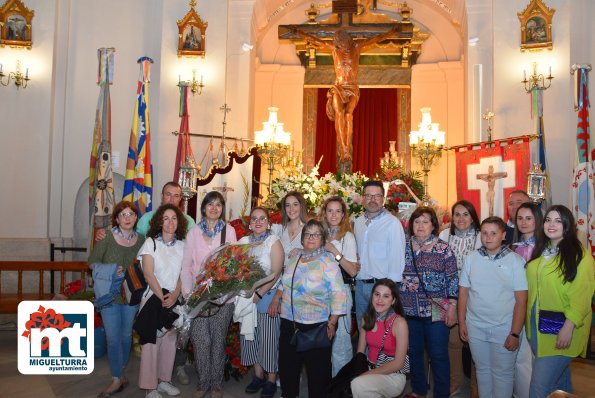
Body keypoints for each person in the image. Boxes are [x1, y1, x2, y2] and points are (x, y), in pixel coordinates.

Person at [291, 27, 397, 164]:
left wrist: (390, 33)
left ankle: (346, 147)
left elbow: (374, 40)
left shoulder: (357, 47)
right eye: (339, 43)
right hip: (339, 87)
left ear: (347, 40)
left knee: (348, 114)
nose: (341, 44)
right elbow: (315, 40)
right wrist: (300, 33)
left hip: (352, 87)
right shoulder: (335, 50)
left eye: (343, 41)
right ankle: (344, 148)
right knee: (339, 114)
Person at [269, 219, 347, 398]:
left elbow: (338, 294)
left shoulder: (328, 262)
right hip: (289, 322)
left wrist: (333, 322)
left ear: (322, 238)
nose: (311, 237)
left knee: (318, 377)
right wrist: (276, 297)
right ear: (302, 238)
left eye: (316, 234)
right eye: (307, 234)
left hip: (317, 326)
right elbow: (284, 281)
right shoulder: (295, 257)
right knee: (288, 371)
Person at [525, 205, 594, 398]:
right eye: (548, 220)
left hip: (563, 329)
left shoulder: (580, 256)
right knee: (560, 386)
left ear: (568, 225)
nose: (551, 224)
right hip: (538, 328)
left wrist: (569, 326)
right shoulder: (542, 252)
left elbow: (583, 295)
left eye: (558, 220)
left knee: (539, 388)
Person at [458, 216, 528, 398]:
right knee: (482, 370)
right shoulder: (471, 259)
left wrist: (514, 333)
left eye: (493, 233)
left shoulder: (515, 261)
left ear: (503, 235)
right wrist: (462, 322)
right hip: (476, 326)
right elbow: (463, 292)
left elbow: (521, 301)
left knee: (503, 374)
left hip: (503, 328)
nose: (488, 237)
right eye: (485, 233)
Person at [181, 191, 237, 398]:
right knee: (200, 340)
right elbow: (186, 266)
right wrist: (189, 294)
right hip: (197, 297)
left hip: (223, 298)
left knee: (217, 340)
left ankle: (216, 384)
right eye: (210, 204)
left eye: (218, 205)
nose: (214, 208)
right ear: (203, 208)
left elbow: (233, 264)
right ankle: (203, 382)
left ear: (222, 209)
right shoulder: (193, 233)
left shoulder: (229, 231)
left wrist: (223, 293)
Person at [88, 200, 146, 398]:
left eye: (131, 214)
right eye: (123, 215)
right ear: (117, 219)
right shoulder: (106, 237)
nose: (127, 218)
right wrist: (112, 271)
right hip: (109, 295)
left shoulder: (142, 240)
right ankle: (115, 378)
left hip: (131, 295)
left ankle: (120, 374)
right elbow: (92, 263)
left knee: (126, 336)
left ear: (136, 217)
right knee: (113, 338)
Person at [399, 206, 458, 398]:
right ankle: (418, 390)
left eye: (425, 221)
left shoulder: (443, 249)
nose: (421, 225)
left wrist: (452, 308)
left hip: (437, 308)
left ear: (434, 226)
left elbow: (453, 279)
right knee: (414, 352)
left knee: (438, 354)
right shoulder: (404, 247)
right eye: (417, 221)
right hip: (408, 308)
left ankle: (441, 393)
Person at [137, 204, 188, 398]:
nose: (170, 222)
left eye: (174, 218)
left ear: (179, 222)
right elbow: (149, 274)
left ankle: (164, 380)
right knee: (151, 344)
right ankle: (150, 387)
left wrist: (175, 295)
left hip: (174, 299)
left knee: (169, 341)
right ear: (159, 221)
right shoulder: (151, 243)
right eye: (166, 218)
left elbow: (183, 273)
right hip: (153, 298)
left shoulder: (182, 246)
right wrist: (163, 297)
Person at [237, 207, 284, 398]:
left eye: (262, 218)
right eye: (254, 219)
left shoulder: (273, 242)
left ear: (268, 222)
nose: (258, 222)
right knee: (251, 338)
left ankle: (271, 380)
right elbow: (235, 269)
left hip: (266, 296)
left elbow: (276, 272)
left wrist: (260, 294)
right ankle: (258, 377)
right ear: (249, 223)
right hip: (246, 297)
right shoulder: (243, 242)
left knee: (268, 341)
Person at [438, 200, 482, 395]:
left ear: (472, 217)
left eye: (465, 214)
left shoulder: (482, 237)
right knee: (453, 342)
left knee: (474, 343)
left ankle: (476, 385)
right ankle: (455, 381)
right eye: (457, 214)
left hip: (475, 295)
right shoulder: (444, 235)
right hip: (448, 295)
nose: (461, 218)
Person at [354, 180, 406, 328]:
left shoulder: (392, 223)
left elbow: (397, 258)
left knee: (380, 333)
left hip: (380, 288)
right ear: (363, 199)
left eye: (377, 196)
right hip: (360, 285)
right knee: (362, 329)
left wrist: (389, 292)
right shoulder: (358, 222)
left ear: (383, 199)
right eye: (369, 196)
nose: (372, 199)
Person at [320, 196, 360, 376]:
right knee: (321, 340)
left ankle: (340, 383)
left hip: (341, 292)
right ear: (325, 214)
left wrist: (334, 252)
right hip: (319, 293)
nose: (334, 214)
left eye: (338, 211)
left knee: (340, 342)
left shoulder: (348, 237)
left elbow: (352, 271)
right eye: (330, 210)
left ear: (343, 215)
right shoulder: (319, 234)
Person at [351, 279, 408, 398]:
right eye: (377, 294)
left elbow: (398, 363)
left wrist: (367, 374)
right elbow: (360, 352)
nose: (380, 300)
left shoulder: (399, 323)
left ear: (393, 300)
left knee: (358, 384)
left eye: (386, 296)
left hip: (393, 376)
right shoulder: (366, 318)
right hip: (370, 368)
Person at [510, 201, 544, 398]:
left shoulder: (545, 248)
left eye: (528, 218)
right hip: (517, 306)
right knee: (520, 357)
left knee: (536, 357)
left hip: (537, 307)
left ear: (537, 220)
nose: (523, 222)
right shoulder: (513, 247)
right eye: (520, 218)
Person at [271, 191, 308, 268]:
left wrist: (303, 252)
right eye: (288, 205)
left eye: (295, 204)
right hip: (279, 276)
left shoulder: (309, 229)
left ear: (301, 206)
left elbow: (319, 253)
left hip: (301, 276)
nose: (291, 209)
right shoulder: (278, 229)